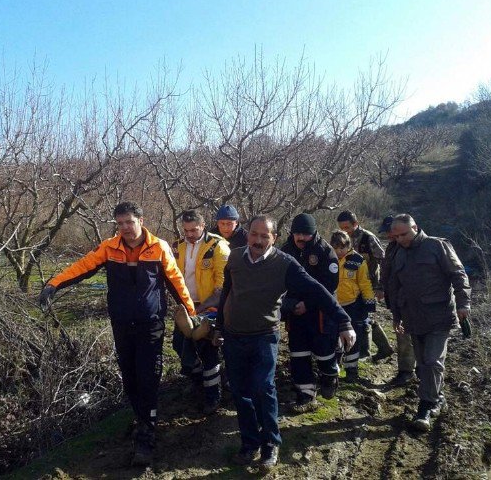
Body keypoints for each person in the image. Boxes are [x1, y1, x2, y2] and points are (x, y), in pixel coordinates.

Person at [39, 202, 195, 465]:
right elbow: (83, 267)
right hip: (122, 324)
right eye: (120, 223)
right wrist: (54, 284)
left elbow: (176, 281)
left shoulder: (158, 247)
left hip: (150, 324)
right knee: (130, 378)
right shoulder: (109, 247)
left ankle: (147, 433)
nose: (125, 228)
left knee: (148, 377)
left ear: (141, 221)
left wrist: (191, 313)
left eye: (129, 222)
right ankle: (141, 417)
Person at [213, 215, 355, 472]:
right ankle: (249, 444)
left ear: (274, 238)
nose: (257, 240)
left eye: (264, 236)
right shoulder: (234, 258)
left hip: (263, 337)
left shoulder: (285, 264)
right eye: (254, 234)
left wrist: (343, 321)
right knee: (240, 393)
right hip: (234, 336)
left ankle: (270, 444)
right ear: (248, 235)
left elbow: (318, 291)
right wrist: (219, 328)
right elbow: (227, 292)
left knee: (263, 388)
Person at [388, 214, 471, 431]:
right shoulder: (398, 253)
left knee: (433, 361)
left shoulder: (437, 246)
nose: (400, 239)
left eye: (404, 234)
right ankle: (438, 397)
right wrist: (396, 316)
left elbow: (458, 275)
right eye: (396, 236)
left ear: (415, 227)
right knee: (423, 365)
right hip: (413, 318)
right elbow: (395, 287)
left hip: (438, 315)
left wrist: (464, 304)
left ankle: (426, 406)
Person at [280, 213, 342, 412]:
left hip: (320, 313)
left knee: (324, 351)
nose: (301, 238)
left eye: (305, 234)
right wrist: (289, 303)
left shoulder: (325, 252)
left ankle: (329, 376)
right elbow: (278, 281)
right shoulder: (285, 250)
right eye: (297, 233)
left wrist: (308, 303)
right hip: (294, 312)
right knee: (298, 354)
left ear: (313, 233)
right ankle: (306, 396)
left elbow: (329, 285)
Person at [171, 210, 230, 414]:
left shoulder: (217, 246)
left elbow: (222, 287)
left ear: (203, 226)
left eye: (194, 230)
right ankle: (197, 380)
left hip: (210, 307)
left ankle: (213, 395)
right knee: (179, 343)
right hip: (187, 305)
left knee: (207, 350)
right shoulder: (177, 246)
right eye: (186, 230)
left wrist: (202, 308)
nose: (189, 234)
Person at [337, 210, 394, 361]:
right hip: (350, 285)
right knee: (362, 317)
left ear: (355, 224)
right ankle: (383, 348)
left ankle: (364, 352)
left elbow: (383, 260)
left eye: (347, 228)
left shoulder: (368, 238)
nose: (344, 231)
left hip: (368, 285)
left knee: (363, 318)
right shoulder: (341, 239)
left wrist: (381, 286)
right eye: (341, 228)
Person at [330, 230, 376, 382]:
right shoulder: (328, 258)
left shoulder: (357, 260)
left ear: (348, 246)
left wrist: (369, 304)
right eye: (335, 248)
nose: (339, 252)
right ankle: (334, 368)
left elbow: (364, 283)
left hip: (352, 305)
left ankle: (352, 371)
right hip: (334, 305)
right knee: (334, 338)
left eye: (342, 248)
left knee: (352, 338)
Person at [378, 215, 416, 386]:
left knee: (408, 337)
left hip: (410, 301)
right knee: (403, 335)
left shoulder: (413, 247)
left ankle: (409, 372)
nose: (388, 236)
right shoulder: (393, 248)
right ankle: (407, 371)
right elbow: (386, 272)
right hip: (397, 299)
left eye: (390, 233)